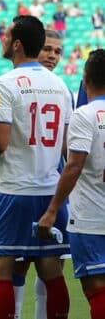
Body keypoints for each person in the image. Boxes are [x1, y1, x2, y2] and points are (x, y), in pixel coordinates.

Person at [0, 16, 72, 319]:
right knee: (51, 269)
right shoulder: (60, 85)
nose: (1, 39)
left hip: (14, 190)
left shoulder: (5, 83)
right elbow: (66, 148)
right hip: (51, 191)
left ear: (16, 44)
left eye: (6, 35)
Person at [37, 48, 105, 319]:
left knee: (97, 290)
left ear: (85, 78)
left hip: (90, 218)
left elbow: (73, 164)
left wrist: (52, 210)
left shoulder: (85, 115)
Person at [11, 29, 70, 319]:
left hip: (46, 188)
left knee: (48, 265)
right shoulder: (18, 84)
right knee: (22, 265)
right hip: (28, 187)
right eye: (47, 48)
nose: (52, 56)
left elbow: (68, 150)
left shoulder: (62, 89)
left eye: (58, 52)